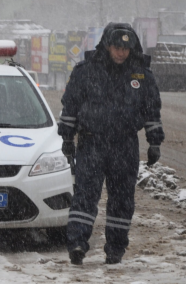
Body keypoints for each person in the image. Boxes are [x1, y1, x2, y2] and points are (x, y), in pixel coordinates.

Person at [58, 22, 165, 266]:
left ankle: (115, 249)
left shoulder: (141, 75)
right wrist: (66, 137)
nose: (121, 53)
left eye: (125, 49)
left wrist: (154, 142)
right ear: (107, 46)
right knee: (85, 197)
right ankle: (77, 244)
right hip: (91, 143)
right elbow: (71, 105)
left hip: (124, 145)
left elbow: (152, 111)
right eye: (116, 48)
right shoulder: (86, 71)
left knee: (122, 200)